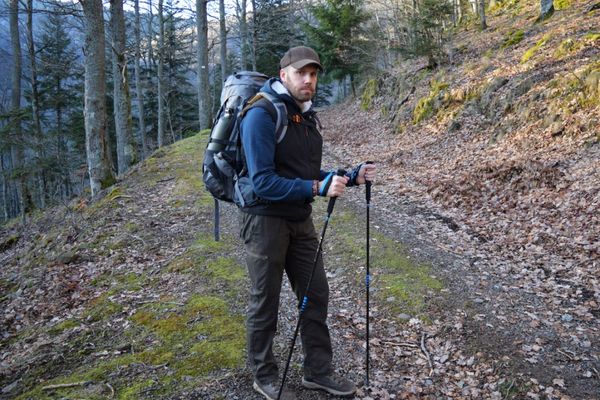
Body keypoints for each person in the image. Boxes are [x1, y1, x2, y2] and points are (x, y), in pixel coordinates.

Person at [237, 46, 377, 400]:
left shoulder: (305, 116)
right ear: (284, 74)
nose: (308, 80)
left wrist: (346, 177)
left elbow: (304, 172)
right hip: (264, 221)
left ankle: (317, 371)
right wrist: (317, 187)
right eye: (302, 73)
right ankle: (264, 374)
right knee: (264, 300)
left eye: (313, 74)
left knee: (315, 295)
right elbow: (262, 181)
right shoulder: (261, 114)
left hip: (300, 220)